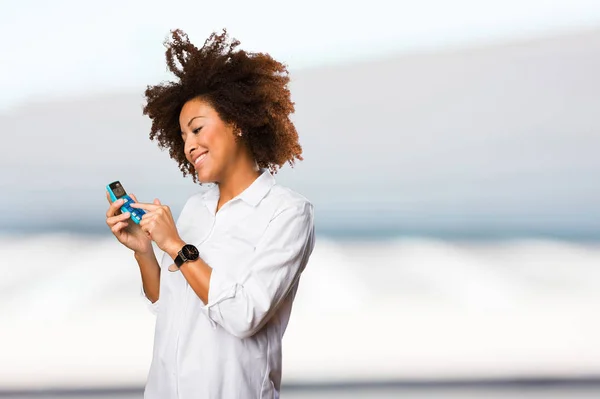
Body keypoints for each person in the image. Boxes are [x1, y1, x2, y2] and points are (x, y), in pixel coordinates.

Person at [104, 29, 315, 399]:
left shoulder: (288, 213)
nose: (189, 146)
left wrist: (176, 245)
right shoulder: (194, 209)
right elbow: (170, 307)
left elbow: (244, 315)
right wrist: (145, 252)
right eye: (183, 137)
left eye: (197, 129)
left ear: (235, 121)